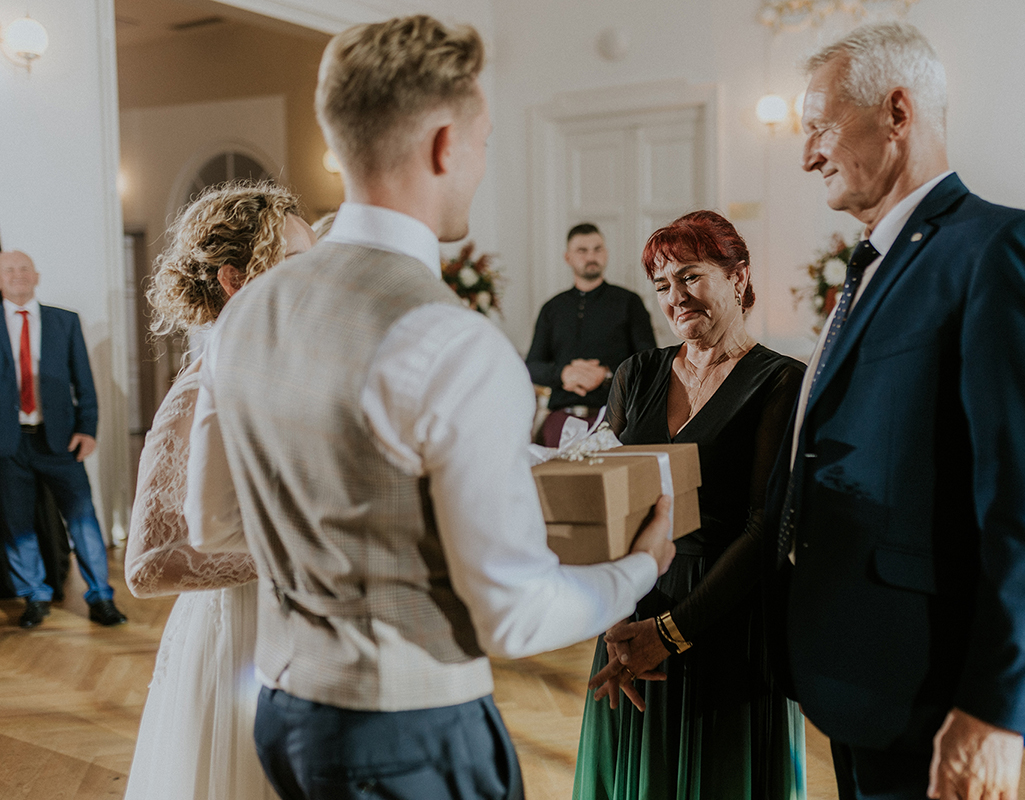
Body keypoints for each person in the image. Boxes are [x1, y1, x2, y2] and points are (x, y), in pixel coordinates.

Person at [183, 15, 675, 800]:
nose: (481, 160)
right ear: (446, 144)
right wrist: (638, 569)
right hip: (407, 731)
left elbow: (210, 523)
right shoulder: (451, 342)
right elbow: (512, 616)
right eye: (483, 139)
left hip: (282, 710)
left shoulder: (244, 316)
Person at [767, 22, 1025, 800]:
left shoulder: (1000, 249)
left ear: (897, 112)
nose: (807, 156)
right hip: (860, 673)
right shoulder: (877, 263)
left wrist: (997, 711)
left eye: (819, 127)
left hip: (933, 687)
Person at [574, 210, 806, 800]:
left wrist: (671, 632)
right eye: (661, 285)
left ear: (738, 276)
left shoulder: (781, 382)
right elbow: (606, 506)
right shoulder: (637, 373)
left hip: (727, 613)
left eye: (690, 276)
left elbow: (766, 527)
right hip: (631, 610)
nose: (675, 297)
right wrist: (616, 622)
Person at [123, 181, 316, 800]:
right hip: (240, 637)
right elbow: (147, 567)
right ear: (235, 280)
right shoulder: (195, 393)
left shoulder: (294, 374)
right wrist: (290, 553)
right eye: (294, 263)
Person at [0, 250, 126, 628]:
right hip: (8, 444)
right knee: (18, 524)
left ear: (36, 276)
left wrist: (88, 429)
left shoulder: (64, 321)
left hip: (60, 440)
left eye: (24, 269)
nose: (18, 275)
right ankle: (35, 597)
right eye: (9, 270)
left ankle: (101, 597)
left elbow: (83, 380)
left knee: (83, 519)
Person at [526, 223, 657, 446]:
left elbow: (650, 362)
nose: (591, 256)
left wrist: (606, 375)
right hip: (561, 419)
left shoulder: (629, 302)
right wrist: (564, 374)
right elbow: (532, 366)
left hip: (616, 418)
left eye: (597, 249)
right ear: (568, 257)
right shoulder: (552, 308)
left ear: (606, 253)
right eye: (582, 250)